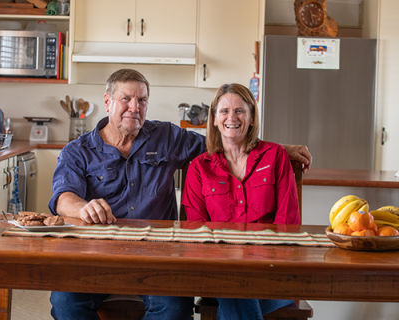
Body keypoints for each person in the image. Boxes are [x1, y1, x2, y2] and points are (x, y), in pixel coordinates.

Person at [48, 69, 312, 320]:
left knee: (174, 307)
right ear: (107, 102)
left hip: (157, 255)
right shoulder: (78, 150)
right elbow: (62, 197)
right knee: (64, 302)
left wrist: (278, 150)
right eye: (125, 99)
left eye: (142, 100)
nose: (134, 107)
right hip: (97, 254)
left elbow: (224, 142)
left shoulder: (165, 136)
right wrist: (83, 208)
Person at [181, 83, 301, 320]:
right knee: (233, 284)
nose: (231, 118)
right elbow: (197, 232)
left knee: (236, 292)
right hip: (219, 272)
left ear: (252, 118)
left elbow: (288, 223)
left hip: (272, 271)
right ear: (214, 119)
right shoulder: (198, 168)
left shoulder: (275, 156)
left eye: (240, 111)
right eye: (224, 111)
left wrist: (258, 263)